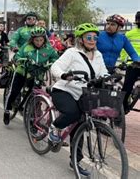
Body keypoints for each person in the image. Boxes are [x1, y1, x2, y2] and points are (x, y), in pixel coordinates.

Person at [49, 23, 109, 177]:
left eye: (95, 37)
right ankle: (54, 127)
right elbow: (55, 67)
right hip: (64, 90)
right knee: (72, 113)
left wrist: (109, 78)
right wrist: (64, 75)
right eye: (89, 37)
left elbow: (103, 72)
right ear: (81, 39)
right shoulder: (72, 53)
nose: (92, 40)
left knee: (82, 125)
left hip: (84, 94)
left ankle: (75, 160)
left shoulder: (99, 55)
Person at [3, 27, 58, 125]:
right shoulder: (26, 46)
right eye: (36, 40)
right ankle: (7, 110)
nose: (38, 42)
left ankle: (32, 117)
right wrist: (23, 62)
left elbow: (55, 58)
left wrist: (49, 65)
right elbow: (17, 56)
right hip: (22, 72)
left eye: (41, 40)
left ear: (44, 39)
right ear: (32, 39)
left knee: (36, 94)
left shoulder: (49, 48)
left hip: (38, 74)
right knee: (14, 91)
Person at [120, 11, 140, 112]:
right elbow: (124, 49)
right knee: (127, 87)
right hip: (133, 64)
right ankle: (122, 108)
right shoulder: (129, 34)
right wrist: (123, 61)